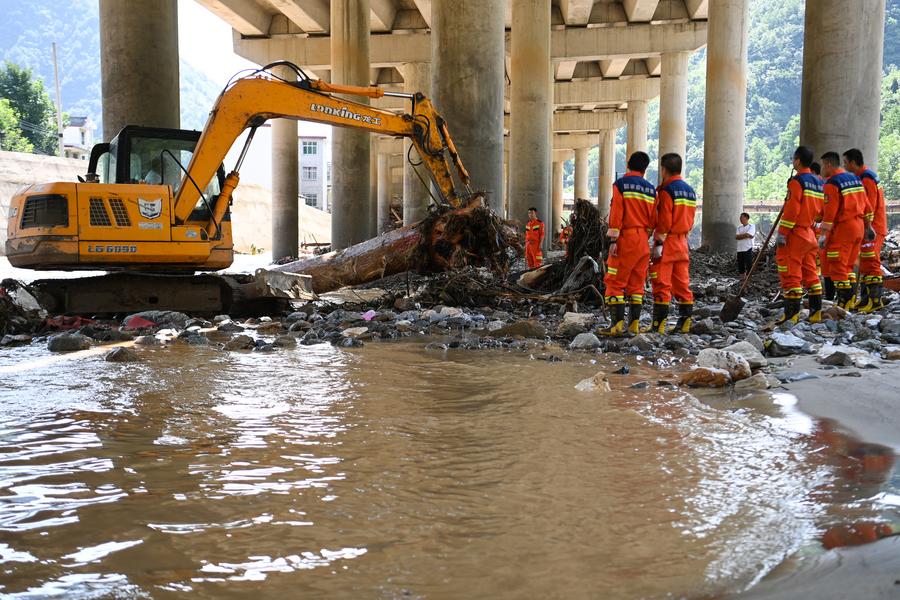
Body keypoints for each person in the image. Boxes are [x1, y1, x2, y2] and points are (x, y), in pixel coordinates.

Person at [600, 151, 657, 336]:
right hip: (642, 242)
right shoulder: (650, 189)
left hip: (625, 239)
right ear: (645, 169)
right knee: (637, 284)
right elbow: (654, 219)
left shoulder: (621, 185)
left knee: (615, 282)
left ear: (628, 165)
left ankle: (616, 327)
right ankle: (633, 326)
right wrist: (645, 235)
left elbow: (616, 211)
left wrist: (614, 239)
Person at [646, 153, 698, 334]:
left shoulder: (666, 190)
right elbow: (691, 220)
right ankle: (685, 323)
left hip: (667, 242)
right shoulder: (690, 191)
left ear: (663, 169)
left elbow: (665, 220)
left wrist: (658, 243)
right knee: (682, 282)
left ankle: (658, 325)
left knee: (661, 282)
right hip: (683, 242)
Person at [774, 146, 825, 324]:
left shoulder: (797, 181)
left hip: (795, 234)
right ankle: (816, 313)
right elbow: (821, 213)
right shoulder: (818, 183)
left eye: (793, 159)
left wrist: (782, 233)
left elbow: (792, 209)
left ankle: (792, 314)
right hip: (810, 234)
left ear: (797, 160)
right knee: (811, 272)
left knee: (790, 272)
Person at [819, 151, 868, 310]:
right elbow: (867, 205)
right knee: (848, 266)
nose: (821, 169)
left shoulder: (831, 184)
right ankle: (851, 300)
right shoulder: (855, 179)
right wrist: (868, 226)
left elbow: (830, 213)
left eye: (822, 165)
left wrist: (824, 235)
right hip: (858, 227)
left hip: (843, 229)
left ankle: (843, 302)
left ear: (828, 164)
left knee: (837, 265)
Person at [843, 148, 885, 312]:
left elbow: (869, 207)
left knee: (871, 262)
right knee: (866, 264)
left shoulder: (866, 179)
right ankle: (867, 299)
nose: (845, 167)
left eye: (846, 163)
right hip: (871, 227)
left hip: (872, 228)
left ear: (853, 163)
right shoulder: (867, 176)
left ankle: (875, 301)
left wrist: (866, 227)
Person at [810, 162, 835, 300]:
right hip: (827, 229)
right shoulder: (826, 185)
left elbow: (820, 213)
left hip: (821, 229)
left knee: (821, 263)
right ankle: (832, 294)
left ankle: (828, 294)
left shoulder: (817, 185)